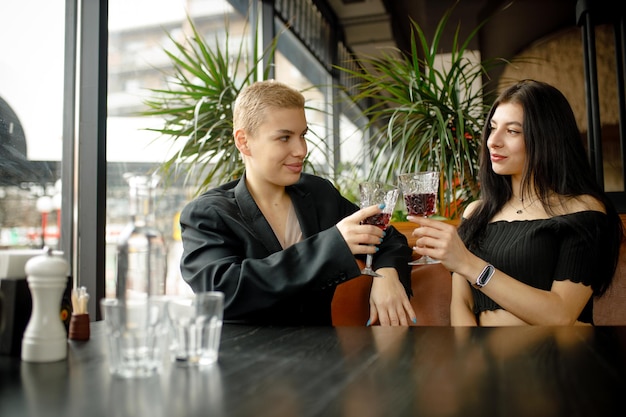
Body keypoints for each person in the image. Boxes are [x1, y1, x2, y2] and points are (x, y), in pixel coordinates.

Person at [179, 80, 416, 326]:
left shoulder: (318, 193)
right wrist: (332, 245)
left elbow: (389, 239)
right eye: (284, 138)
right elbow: (223, 294)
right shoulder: (209, 213)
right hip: (247, 357)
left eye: (303, 135)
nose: (301, 149)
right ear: (243, 141)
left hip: (322, 355)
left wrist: (387, 275)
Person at [408, 79, 623, 326]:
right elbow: (462, 304)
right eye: (493, 128)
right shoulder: (477, 212)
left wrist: (469, 264)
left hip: (556, 359)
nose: (492, 141)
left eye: (512, 131)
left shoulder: (583, 211)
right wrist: (469, 359)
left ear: (548, 138)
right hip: (484, 359)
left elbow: (561, 314)